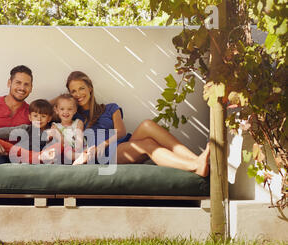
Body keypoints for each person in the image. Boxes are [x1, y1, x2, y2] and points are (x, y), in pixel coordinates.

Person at [66, 71, 210, 176]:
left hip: (120, 143)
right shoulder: (73, 116)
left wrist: (101, 145)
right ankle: (194, 166)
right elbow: (48, 105)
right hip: (106, 155)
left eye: (81, 88)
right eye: (73, 91)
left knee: (147, 124)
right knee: (147, 144)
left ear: (90, 88)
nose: (78, 94)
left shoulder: (110, 108)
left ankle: (197, 160)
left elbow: (121, 132)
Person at [50, 93, 85, 164]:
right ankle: (79, 157)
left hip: (78, 149)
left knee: (87, 149)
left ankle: (79, 157)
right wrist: (68, 150)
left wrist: (77, 148)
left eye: (69, 109)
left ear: (75, 110)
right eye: (62, 109)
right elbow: (61, 140)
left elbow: (79, 138)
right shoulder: (55, 126)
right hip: (63, 151)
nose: (65, 112)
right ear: (56, 110)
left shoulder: (78, 122)